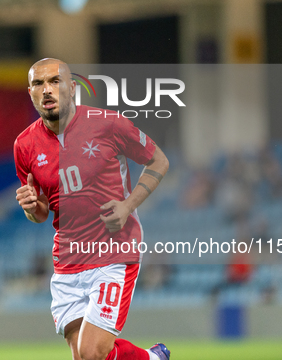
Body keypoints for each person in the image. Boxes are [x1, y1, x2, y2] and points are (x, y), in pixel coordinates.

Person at [14, 58, 171, 360]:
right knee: (85, 356)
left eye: (55, 81)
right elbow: (41, 213)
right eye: (38, 83)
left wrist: (128, 205)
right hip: (68, 260)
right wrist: (31, 207)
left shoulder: (107, 124)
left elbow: (158, 161)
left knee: (90, 353)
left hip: (114, 251)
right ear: (31, 92)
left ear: (72, 88)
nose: (47, 89)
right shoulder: (24, 145)